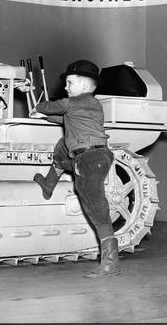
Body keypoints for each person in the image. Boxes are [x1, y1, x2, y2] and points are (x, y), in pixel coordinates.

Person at [32, 60, 120, 279]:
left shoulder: (74, 102)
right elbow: (64, 117)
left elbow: (50, 106)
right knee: (62, 146)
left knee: (97, 211)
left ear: (83, 85)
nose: (66, 87)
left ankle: (111, 264)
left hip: (89, 159)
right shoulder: (91, 105)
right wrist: (46, 117)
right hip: (95, 156)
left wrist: (38, 108)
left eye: (70, 83)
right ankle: (49, 184)